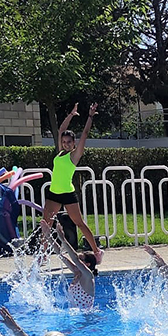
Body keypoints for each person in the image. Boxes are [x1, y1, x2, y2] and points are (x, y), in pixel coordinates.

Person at [42, 102, 103, 261]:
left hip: (68, 194)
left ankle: (97, 252)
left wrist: (90, 116)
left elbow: (85, 134)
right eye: (64, 141)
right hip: (54, 193)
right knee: (46, 224)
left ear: (74, 143)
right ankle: (43, 254)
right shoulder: (60, 153)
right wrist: (71, 114)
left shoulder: (74, 155)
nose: (66, 144)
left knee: (80, 223)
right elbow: (61, 129)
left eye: (69, 142)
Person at [43, 220, 98, 310]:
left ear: (87, 264)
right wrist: (48, 236)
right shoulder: (77, 272)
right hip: (75, 316)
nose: (78, 261)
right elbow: (60, 254)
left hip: (87, 319)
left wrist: (63, 239)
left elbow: (75, 259)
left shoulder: (88, 276)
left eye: (81, 259)